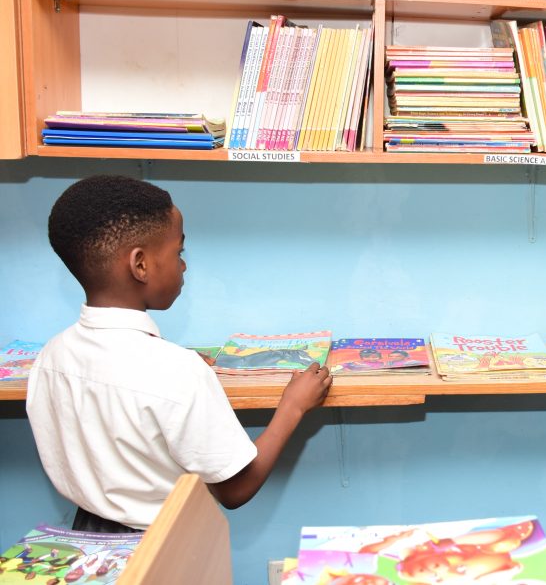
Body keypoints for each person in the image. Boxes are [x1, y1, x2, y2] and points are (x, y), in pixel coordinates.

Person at [27, 175, 332, 532]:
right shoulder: (175, 372)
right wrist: (293, 407)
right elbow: (236, 488)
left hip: (87, 542)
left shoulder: (51, 358)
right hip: (166, 549)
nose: (183, 265)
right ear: (140, 264)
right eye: (178, 252)